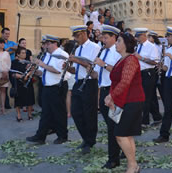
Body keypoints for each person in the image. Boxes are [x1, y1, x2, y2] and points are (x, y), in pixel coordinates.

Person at [104, 32, 145, 173]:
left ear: (126, 44)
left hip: (132, 101)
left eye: (119, 41)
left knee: (120, 135)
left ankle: (132, 165)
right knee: (126, 135)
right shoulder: (122, 59)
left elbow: (125, 81)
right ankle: (133, 165)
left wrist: (111, 96)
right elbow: (116, 82)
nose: (116, 43)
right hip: (125, 101)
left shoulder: (131, 60)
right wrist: (112, 95)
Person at [27, 35, 70, 145]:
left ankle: (62, 136)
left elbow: (57, 70)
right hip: (47, 86)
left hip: (57, 86)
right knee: (45, 112)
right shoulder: (47, 55)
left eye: (47, 44)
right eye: (44, 44)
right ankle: (40, 136)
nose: (45, 46)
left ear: (55, 43)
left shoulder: (62, 54)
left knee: (59, 112)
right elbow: (42, 72)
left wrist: (42, 64)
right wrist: (35, 70)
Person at [66, 25, 101, 154]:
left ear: (82, 34)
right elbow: (76, 70)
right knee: (75, 111)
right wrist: (68, 67)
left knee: (89, 113)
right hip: (78, 81)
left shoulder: (95, 47)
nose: (75, 40)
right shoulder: (78, 48)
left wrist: (77, 60)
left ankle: (90, 141)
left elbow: (92, 67)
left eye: (76, 36)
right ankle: (85, 138)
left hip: (90, 83)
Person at [92, 25, 122, 169]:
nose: (103, 40)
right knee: (112, 124)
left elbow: (117, 72)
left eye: (105, 38)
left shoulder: (117, 52)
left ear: (113, 38)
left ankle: (113, 158)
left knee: (112, 126)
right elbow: (98, 75)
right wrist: (89, 69)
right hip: (104, 90)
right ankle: (120, 149)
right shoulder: (103, 51)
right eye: (102, 38)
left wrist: (103, 65)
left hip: (113, 91)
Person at [133, 28, 161, 127]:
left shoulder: (151, 47)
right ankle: (157, 117)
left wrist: (141, 58)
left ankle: (145, 121)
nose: (137, 39)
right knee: (151, 96)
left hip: (148, 73)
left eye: (138, 36)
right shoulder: (138, 46)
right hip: (140, 73)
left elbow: (155, 62)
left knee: (145, 97)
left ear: (144, 36)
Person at [10, 47, 35, 121]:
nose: (24, 54)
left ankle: (30, 114)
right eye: (23, 53)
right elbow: (12, 73)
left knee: (30, 99)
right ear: (18, 54)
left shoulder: (28, 62)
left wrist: (29, 74)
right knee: (18, 100)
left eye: (25, 53)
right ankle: (19, 115)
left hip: (28, 82)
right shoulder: (14, 62)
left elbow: (32, 71)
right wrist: (21, 76)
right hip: (19, 83)